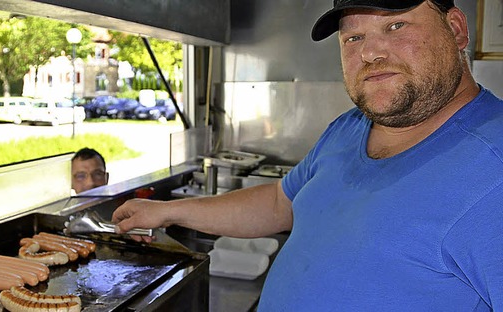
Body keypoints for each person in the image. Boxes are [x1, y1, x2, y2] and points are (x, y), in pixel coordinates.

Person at [112, 0, 503, 310]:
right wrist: (169, 211)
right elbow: (282, 202)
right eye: (353, 38)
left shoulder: (493, 167)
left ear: (455, 29)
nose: (370, 54)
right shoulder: (349, 128)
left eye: (395, 26)